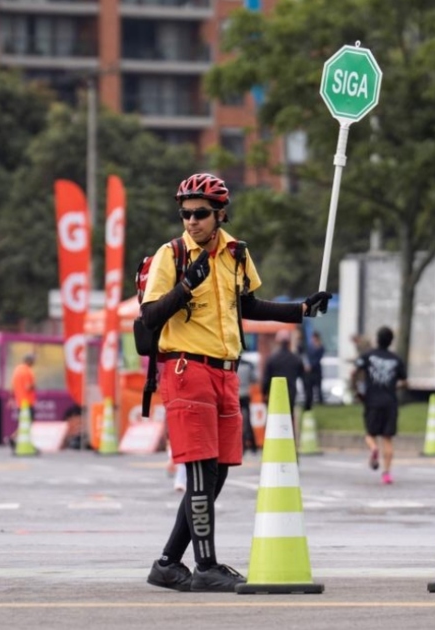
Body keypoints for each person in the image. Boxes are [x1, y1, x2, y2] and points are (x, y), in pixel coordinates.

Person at [141, 172, 330, 593]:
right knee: (198, 471)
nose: (191, 221)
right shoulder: (170, 256)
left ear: (220, 214)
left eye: (201, 214)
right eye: (185, 214)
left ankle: (169, 563)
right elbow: (150, 315)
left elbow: (249, 305)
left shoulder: (236, 253)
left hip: (225, 372)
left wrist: (301, 308)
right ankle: (205, 565)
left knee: (220, 471)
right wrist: (185, 286)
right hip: (186, 370)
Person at [350, 326, 407, 485]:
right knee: (388, 438)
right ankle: (387, 473)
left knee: (370, 434)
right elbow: (404, 380)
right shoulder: (396, 359)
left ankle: (373, 448)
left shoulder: (368, 355)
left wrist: (356, 389)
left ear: (377, 339)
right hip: (390, 402)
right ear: (391, 341)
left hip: (372, 400)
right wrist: (394, 386)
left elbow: (354, 372)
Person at [262, 329, 304, 433]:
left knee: (274, 420)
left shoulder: (272, 358)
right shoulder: (295, 358)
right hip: (290, 393)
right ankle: (290, 442)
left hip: (275, 394)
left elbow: (266, 378)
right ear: (289, 342)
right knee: (289, 419)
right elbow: (302, 375)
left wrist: (264, 393)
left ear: (278, 342)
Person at [11, 354, 36, 448]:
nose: (34, 363)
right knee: (27, 422)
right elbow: (28, 386)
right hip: (27, 401)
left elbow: (13, 386)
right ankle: (15, 438)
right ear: (29, 361)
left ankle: (14, 437)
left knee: (23, 422)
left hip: (19, 400)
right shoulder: (27, 371)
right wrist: (34, 386)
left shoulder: (17, 370)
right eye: (33, 361)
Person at [238, 359, 258, 455]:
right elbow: (254, 379)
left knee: (238, 421)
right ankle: (253, 445)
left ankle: (242, 446)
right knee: (248, 421)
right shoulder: (248, 366)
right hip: (246, 394)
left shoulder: (234, 364)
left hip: (236, 394)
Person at [303, 331, 325, 409]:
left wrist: (311, 365)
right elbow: (307, 356)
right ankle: (310, 402)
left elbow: (318, 359)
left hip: (316, 370)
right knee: (310, 387)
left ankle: (320, 401)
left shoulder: (320, 347)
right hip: (310, 371)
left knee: (318, 387)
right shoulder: (310, 347)